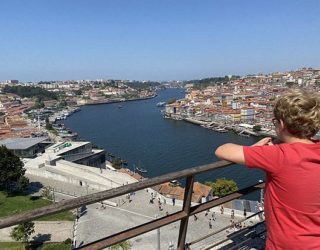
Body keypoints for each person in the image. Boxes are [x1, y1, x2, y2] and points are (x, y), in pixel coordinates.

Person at [215, 89, 320, 250]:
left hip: (287, 244)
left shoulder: (278, 156)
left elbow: (222, 150)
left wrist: (254, 148)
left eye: (274, 122)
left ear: (282, 124)